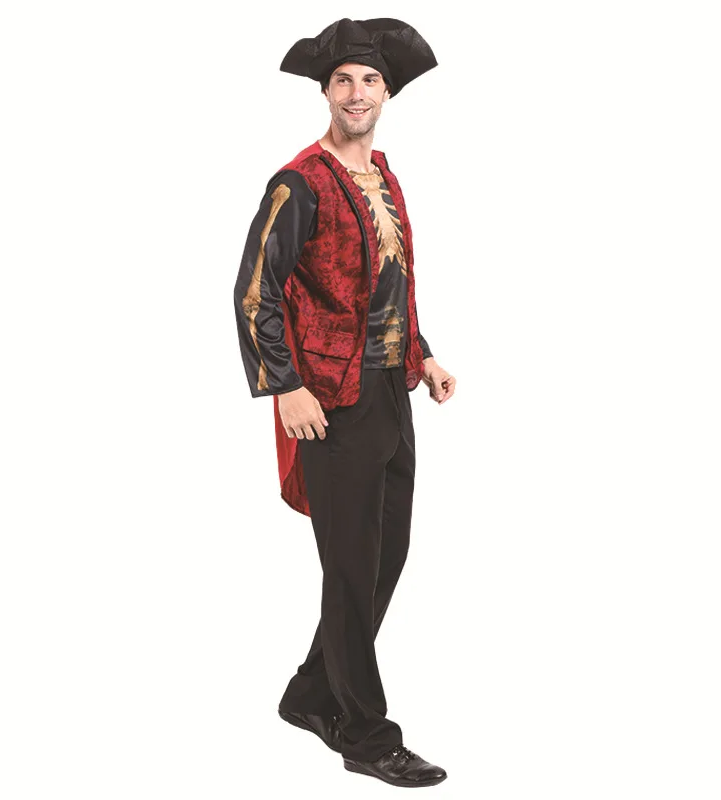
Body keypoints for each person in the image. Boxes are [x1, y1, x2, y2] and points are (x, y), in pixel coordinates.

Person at [232, 18, 456, 788]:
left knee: (385, 559)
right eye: (343, 82)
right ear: (326, 92)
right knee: (350, 569)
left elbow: (389, 282)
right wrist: (285, 385)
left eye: (369, 81)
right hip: (331, 401)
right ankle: (365, 735)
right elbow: (255, 292)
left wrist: (423, 353)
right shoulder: (299, 182)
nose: (356, 94)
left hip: (391, 389)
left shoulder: (384, 175)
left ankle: (309, 693)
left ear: (386, 93)